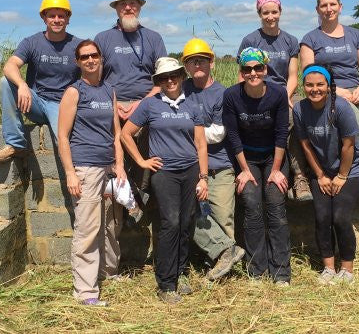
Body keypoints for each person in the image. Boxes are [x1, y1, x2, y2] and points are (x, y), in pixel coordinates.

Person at [121, 57, 208, 304]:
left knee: (187, 221)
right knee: (170, 222)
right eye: (163, 78)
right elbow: (126, 134)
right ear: (158, 81)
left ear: (181, 76)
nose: (169, 81)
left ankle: (180, 272)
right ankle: (166, 283)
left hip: (191, 170)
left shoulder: (193, 104)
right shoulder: (150, 105)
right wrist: (141, 161)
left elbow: (201, 144)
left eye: (174, 76)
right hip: (165, 172)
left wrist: (203, 177)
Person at [299, 0, 359, 211]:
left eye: (333, 4)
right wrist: (335, 90)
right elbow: (308, 73)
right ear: (317, 9)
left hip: (357, 87)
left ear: (340, 7)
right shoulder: (310, 39)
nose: (328, 9)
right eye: (324, 5)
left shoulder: (354, 34)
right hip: (331, 92)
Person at [57, 39, 126, 306]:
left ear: (101, 58)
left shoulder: (109, 90)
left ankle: (109, 272)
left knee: (110, 224)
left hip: (108, 167)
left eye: (94, 55)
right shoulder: (74, 92)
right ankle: (85, 292)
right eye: (84, 57)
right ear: (78, 62)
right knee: (87, 228)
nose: (90, 60)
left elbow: (117, 133)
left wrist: (119, 165)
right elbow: (63, 137)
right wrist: (70, 173)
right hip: (85, 168)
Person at [222, 47, 291, 286]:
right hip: (246, 159)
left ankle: (281, 271)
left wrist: (276, 170)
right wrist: (244, 169)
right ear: (241, 71)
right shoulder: (232, 96)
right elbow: (232, 135)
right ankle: (256, 271)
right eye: (247, 69)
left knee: (275, 204)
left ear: (265, 69)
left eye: (258, 68)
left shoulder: (278, 94)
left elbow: (282, 133)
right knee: (251, 206)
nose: (253, 73)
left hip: (274, 157)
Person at [292, 65, 359, 284]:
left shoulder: (341, 108)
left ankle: (347, 270)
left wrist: (342, 176)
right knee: (322, 217)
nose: (315, 89)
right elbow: (305, 145)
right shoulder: (299, 109)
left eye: (320, 85)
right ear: (304, 86)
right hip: (321, 171)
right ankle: (329, 269)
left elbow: (349, 145)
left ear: (329, 86)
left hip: (350, 170)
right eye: (309, 85)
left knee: (340, 217)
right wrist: (321, 175)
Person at [94, 0, 167, 206]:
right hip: (112, 103)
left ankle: (140, 191)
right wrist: (112, 104)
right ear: (116, 8)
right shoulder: (103, 38)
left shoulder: (153, 38)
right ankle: (115, 192)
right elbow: (95, 79)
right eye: (123, 4)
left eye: (133, 3)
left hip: (147, 101)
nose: (128, 7)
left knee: (153, 137)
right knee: (107, 141)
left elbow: (163, 79)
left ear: (139, 7)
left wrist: (141, 105)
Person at [181, 38, 245, 281]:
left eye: (202, 60)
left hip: (220, 167)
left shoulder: (223, 94)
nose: (197, 64)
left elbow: (219, 133)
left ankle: (223, 273)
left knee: (222, 218)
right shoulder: (181, 90)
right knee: (191, 216)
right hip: (190, 168)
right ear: (185, 66)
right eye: (191, 61)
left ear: (211, 62)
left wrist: (183, 134)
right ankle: (210, 264)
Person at [0, 0, 81, 162]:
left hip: (62, 106)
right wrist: (22, 85)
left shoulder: (77, 45)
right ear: (44, 18)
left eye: (61, 16)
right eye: (52, 15)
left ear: (68, 19)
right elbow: (10, 65)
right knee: (6, 82)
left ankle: (77, 184)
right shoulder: (32, 42)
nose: (56, 19)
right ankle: (15, 144)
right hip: (36, 102)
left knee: (62, 143)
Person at [238, 0, 310, 199]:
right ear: (259, 14)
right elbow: (242, 75)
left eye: (274, 12)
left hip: (283, 92)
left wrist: (284, 97)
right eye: (265, 12)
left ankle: (298, 176)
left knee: (294, 118)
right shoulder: (250, 40)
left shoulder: (290, 40)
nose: (270, 16)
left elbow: (293, 76)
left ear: (280, 12)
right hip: (256, 91)